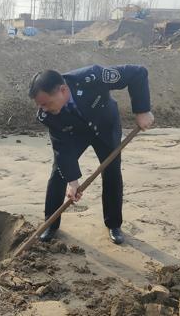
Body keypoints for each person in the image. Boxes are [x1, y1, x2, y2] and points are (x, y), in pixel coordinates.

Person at [28, 65, 154, 244]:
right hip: (75, 132)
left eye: (46, 103)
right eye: (40, 105)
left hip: (105, 126)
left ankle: (113, 224)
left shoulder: (92, 77)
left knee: (111, 171)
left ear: (63, 90)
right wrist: (72, 181)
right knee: (58, 173)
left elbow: (138, 73)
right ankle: (51, 224)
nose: (44, 109)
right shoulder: (46, 114)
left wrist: (142, 110)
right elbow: (62, 148)